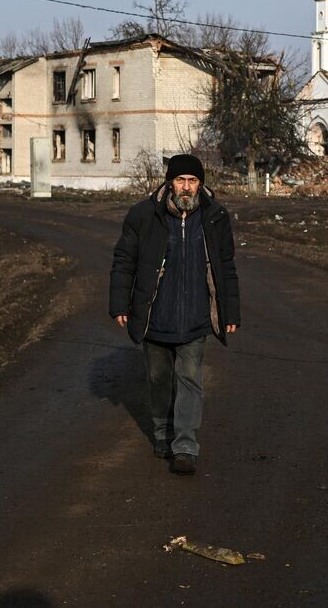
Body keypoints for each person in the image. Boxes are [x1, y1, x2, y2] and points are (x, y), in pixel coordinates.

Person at [109, 154, 240, 475]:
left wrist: (230, 311)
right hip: (155, 314)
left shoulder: (215, 217)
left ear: (201, 184)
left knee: (191, 379)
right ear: (170, 182)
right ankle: (162, 432)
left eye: (192, 181)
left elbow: (226, 268)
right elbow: (124, 261)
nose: (186, 187)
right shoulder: (143, 215)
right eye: (180, 180)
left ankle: (185, 445)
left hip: (196, 317)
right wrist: (119, 304)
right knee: (158, 378)